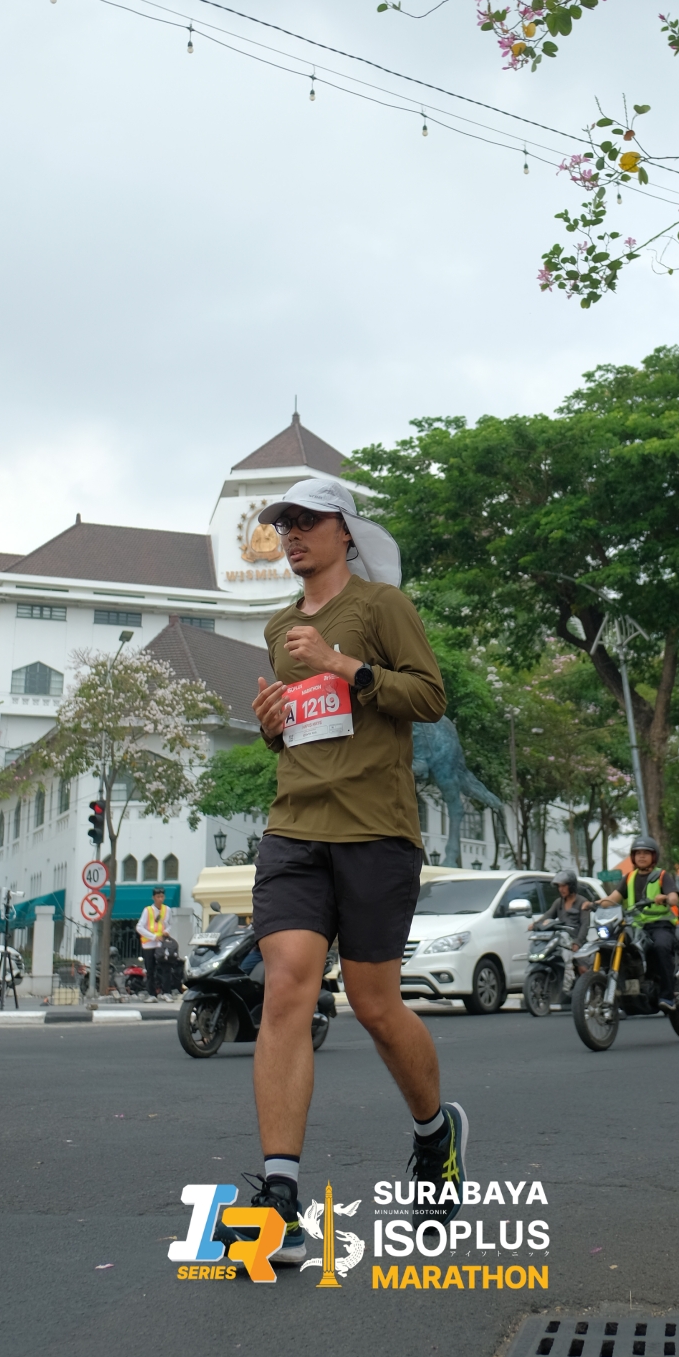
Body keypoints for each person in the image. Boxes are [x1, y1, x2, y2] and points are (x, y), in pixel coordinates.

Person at [247, 474, 458, 1267]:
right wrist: (270, 724)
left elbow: (429, 697)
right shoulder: (277, 626)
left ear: (344, 530)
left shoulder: (381, 607)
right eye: (284, 525)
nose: (292, 535)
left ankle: (435, 1137)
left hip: (375, 831)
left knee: (374, 1005)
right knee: (286, 988)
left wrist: (344, 664)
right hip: (295, 828)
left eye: (306, 521)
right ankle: (280, 1198)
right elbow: (298, 729)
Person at [600, 836, 679, 1011]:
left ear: (654, 856)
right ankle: (618, 992)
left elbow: (674, 897)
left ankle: (668, 996)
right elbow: (612, 899)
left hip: (660, 925)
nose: (642, 856)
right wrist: (593, 903)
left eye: (646, 853)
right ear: (633, 857)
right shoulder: (629, 878)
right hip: (636, 926)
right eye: (638, 853)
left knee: (660, 947)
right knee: (613, 945)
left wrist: (666, 898)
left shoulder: (662, 875)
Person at [531, 869, 593, 950]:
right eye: (559, 886)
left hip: (576, 944)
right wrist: (535, 924)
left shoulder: (582, 902)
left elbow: (585, 925)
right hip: (562, 941)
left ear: (571, 886)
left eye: (564, 886)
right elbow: (548, 915)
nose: (561, 889)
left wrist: (578, 943)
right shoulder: (558, 902)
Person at [138, 887, 171, 999]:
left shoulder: (167, 910)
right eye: (158, 897)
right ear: (153, 897)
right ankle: (152, 994)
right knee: (150, 970)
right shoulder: (147, 911)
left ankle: (166, 992)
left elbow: (169, 924)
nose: (160, 899)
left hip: (161, 944)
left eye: (162, 896)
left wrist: (166, 931)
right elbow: (139, 927)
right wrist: (153, 936)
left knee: (165, 968)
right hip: (149, 944)